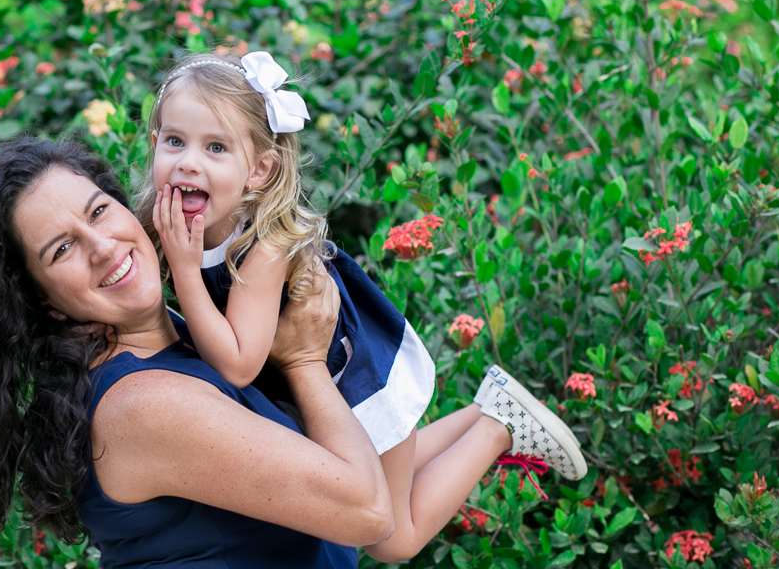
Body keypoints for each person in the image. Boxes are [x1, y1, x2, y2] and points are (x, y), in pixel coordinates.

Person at [0, 135, 584, 567]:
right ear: (45, 300)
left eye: (99, 210)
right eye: (62, 249)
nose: (103, 245)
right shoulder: (143, 404)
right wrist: (307, 362)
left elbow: (323, 468)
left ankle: (488, 418)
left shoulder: (191, 331)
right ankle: (493, 420)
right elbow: (369, 515)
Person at [138, 51, 587, 560]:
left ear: (260, 170)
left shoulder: (261, 246)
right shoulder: (168, 217)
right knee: (393, 469)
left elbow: (238, 364)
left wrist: (185, 268)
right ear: (155, 145)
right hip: (319, 394)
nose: (188, 161)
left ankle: (494, 428)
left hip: (357, 380)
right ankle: (488, 407)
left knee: (391, 540)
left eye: (216, 147)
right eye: (175, 141)